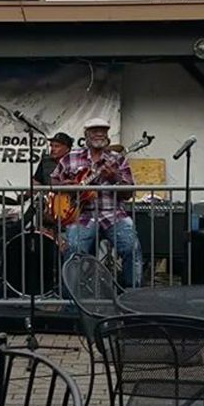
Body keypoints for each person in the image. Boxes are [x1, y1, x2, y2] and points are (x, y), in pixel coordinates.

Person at [52, 117, 143, 287]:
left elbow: (129, 193)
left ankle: (133, 299)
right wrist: (63, 186)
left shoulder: (118, 159)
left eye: (103, 130)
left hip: (113, 213)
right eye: (95, 131)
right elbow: (53, 182)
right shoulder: (70, 158)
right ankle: (72, 304)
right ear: (86, 134)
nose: (99, 134)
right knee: (73, 251)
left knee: (132, 248)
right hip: (81, 215)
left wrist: (114, 177)